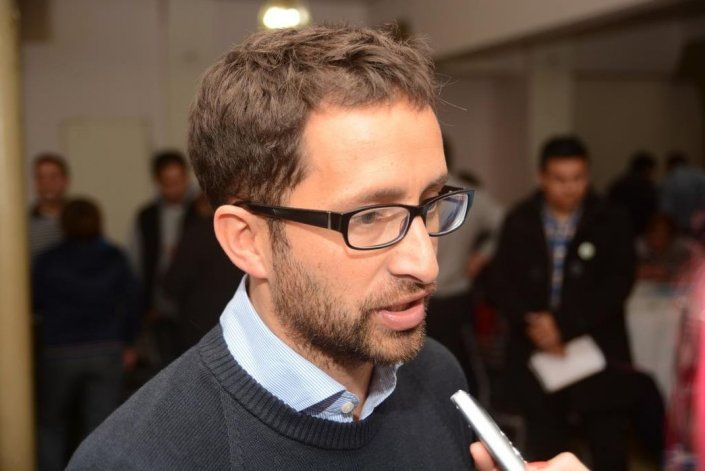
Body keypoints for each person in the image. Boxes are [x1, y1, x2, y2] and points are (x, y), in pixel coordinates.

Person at [70, 26, 585, 470]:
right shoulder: (138, 458)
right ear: (247, 241)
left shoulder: (435, 373)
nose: (425, 263)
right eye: (370, 217)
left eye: (430, 203)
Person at [492, 136, 636, 469]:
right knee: (544, 448)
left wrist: (563, 325)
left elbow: (619, 283)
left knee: (608, 444)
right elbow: (499, 282)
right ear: (542, 177)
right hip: (536, 350)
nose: (570, 188)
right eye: (560, 179)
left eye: (578, 178)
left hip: (597, 349)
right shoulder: (521, 218)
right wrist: (532, 323)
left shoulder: (610, 218)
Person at [33, 198, 140, 471]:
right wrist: (129, 343)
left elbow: (34, 303)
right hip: (106, 348)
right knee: (101, 427)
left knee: (51, 426)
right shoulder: (115, 257)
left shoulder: (47, 260)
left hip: (59, 351)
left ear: (63, 224)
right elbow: (132, 303)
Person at [427, 137, 504, 396]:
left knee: (459, 366)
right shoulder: (470, 196)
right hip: (431, 298)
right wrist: (484, 253)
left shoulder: (469, 197)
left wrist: (483, 254)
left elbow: (508, 224)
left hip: (453, 299)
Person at [130, 150, 194, 367]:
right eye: (168, 182)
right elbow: (137, 262)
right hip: (158, 307)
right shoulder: (146, 216)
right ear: (158, 182)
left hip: (195, 305)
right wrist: (144, 303)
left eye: (179, 180)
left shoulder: (202, 212)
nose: (175, 187)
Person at [163, 193, 245, 353]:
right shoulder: (244, 234)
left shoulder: (195, 235)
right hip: (238, 323)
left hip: (199, 328)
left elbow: (172, 284)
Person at [28, 153, 70, 259]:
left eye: (53, 177)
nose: (46, 183)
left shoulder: (79, 219)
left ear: (65, 181)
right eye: (40, 177)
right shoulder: (24, 225)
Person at [607, 150, 658, 236]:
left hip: (617, 227)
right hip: (639, 230)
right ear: (647, 169)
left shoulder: (619, 183)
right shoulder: (647, 187)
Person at [660, 152, 705, 234]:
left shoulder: (669, 179)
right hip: (701, 227)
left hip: (679, 227)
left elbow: (666, 210)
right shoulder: (701, 174)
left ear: (670, 165)